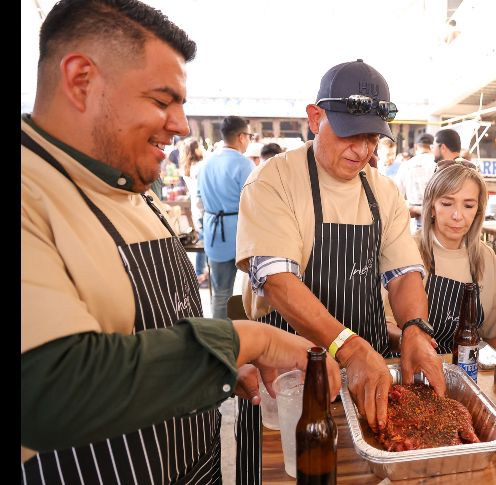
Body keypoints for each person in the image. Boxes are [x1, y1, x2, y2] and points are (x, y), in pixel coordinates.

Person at [21, 1, 341, 483]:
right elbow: (47, 388)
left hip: (193, 465)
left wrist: (215, 368)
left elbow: (148, 329)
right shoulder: (31, 191)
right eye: (161, 99)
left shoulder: (129, 186)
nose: (182, 125)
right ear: (80, 79)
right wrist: (250, 338)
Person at [236, 59, 445, 473]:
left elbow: (403, 272)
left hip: (365, 378)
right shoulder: (273, 181)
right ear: (316, 118)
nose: (363, 150)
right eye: (351, 134)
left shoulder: (383, 191)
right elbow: (278, 283)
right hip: (290, 382)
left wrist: (415, 329)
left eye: (372, 138)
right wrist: (349, 349)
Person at [384, 160, 496, 353]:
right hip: (412, 367)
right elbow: (384, 325)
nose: (457, 215)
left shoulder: (485, 257)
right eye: (447, 203)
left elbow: (494, 335)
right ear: (432, 207)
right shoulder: (407, 249)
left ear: (478, 211)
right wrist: (412, 341)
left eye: (468, 205)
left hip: (467, 369)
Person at [198, 116, 255, 318]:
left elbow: (199, 201)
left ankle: (218, 340)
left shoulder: (205, 163)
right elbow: (254, 203)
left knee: (220, 293)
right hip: (242, 233)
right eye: (249, 136)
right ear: (241, 137)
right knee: (255, 292)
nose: (249, 140)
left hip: (214, 232)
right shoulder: (244, 164)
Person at [180, 137, 209, 286]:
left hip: (196, 207)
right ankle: (200, 274)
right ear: (195, 149)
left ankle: (201, 273)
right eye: (199, 147)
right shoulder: (200, 166)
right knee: (204, 244)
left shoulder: (187, 166)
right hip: (203, 208)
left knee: (202, 242)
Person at [395, 132, 436, 233]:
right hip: (436, 215)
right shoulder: (437, 164)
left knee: (415, 246)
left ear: (416, 146)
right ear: (432, 147)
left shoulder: (406, 165)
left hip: (413, 217)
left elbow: (396, 195)